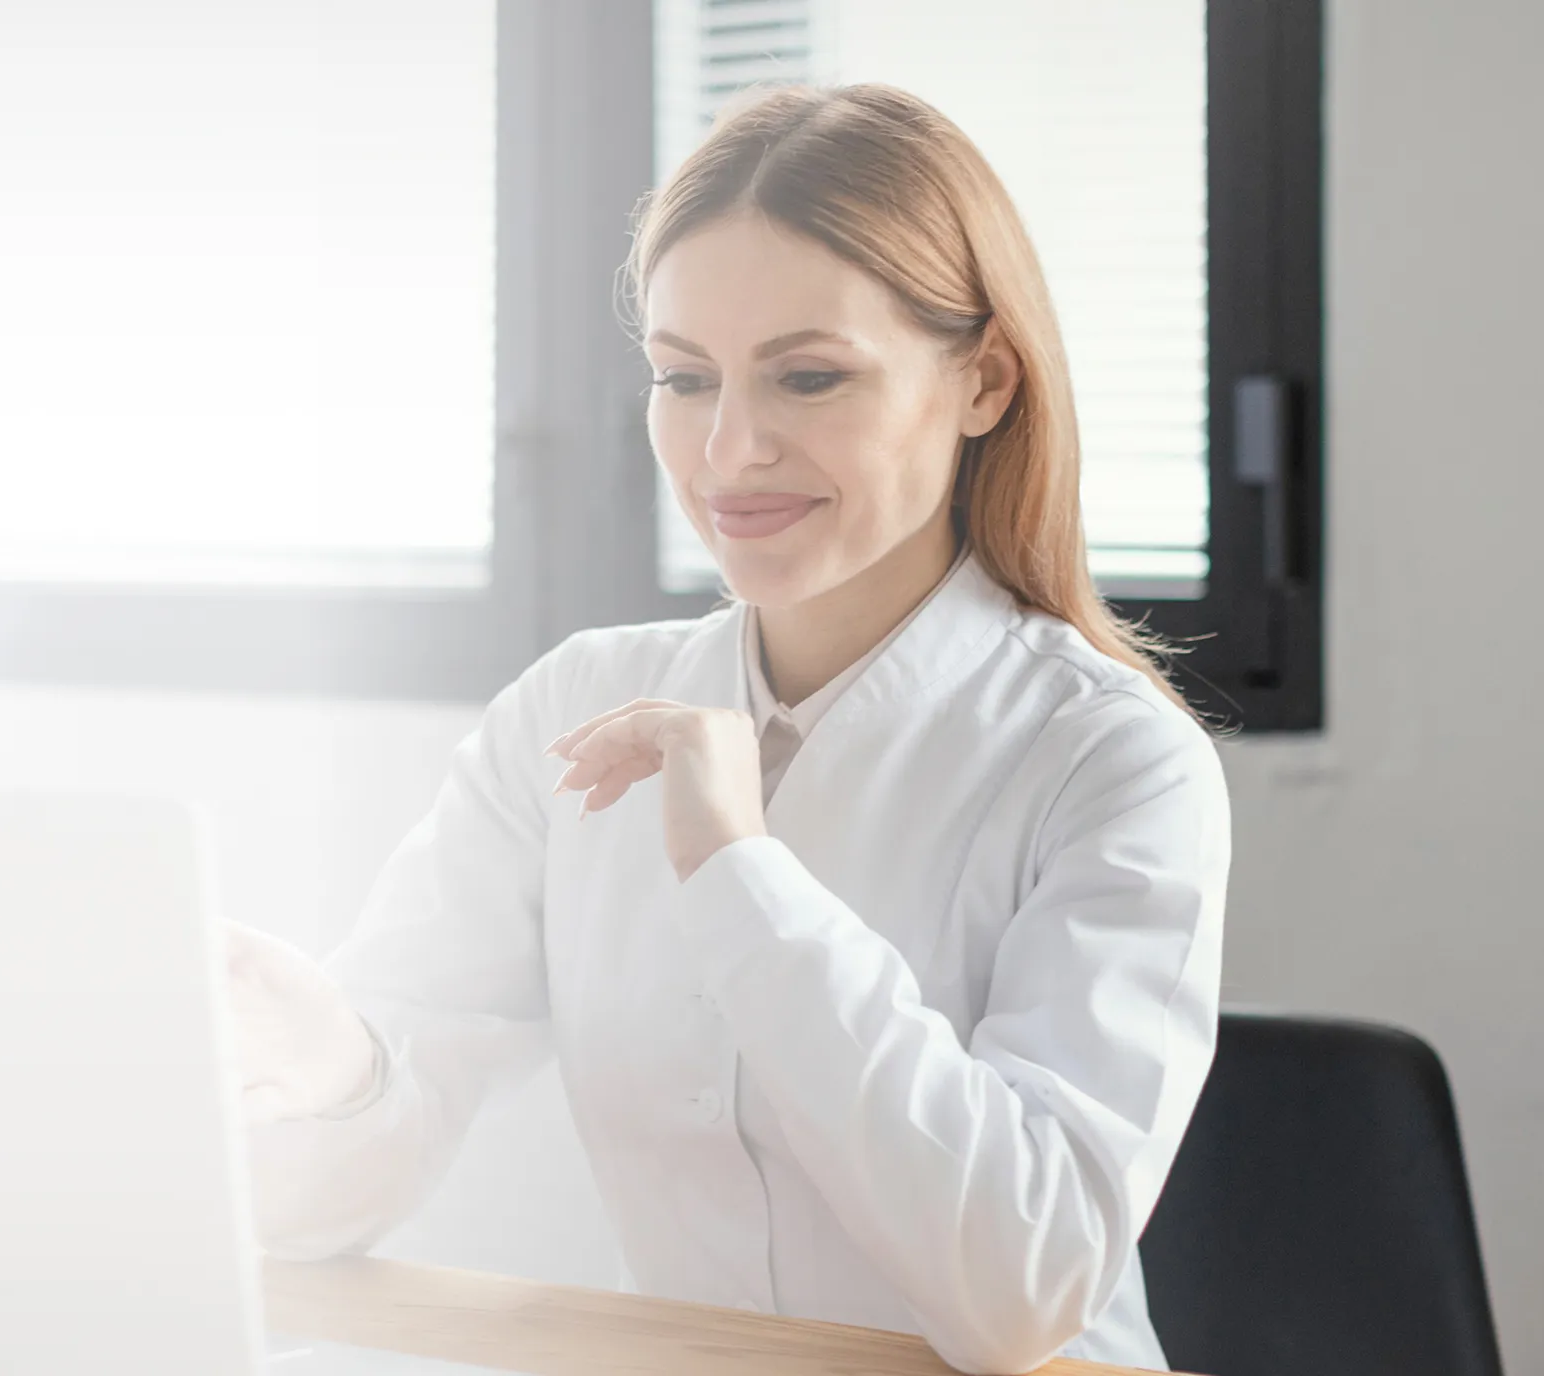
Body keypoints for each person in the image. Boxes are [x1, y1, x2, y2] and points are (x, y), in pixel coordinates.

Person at [225, 84, 1232, 1376]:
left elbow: (1021, 1294)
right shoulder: (568, 712)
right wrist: (330, 1071)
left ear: (982, 382)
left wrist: (736, 871)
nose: (728, 449)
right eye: (682, 378)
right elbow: (318, 1211)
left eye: (807, 377)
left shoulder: (1110, 759)